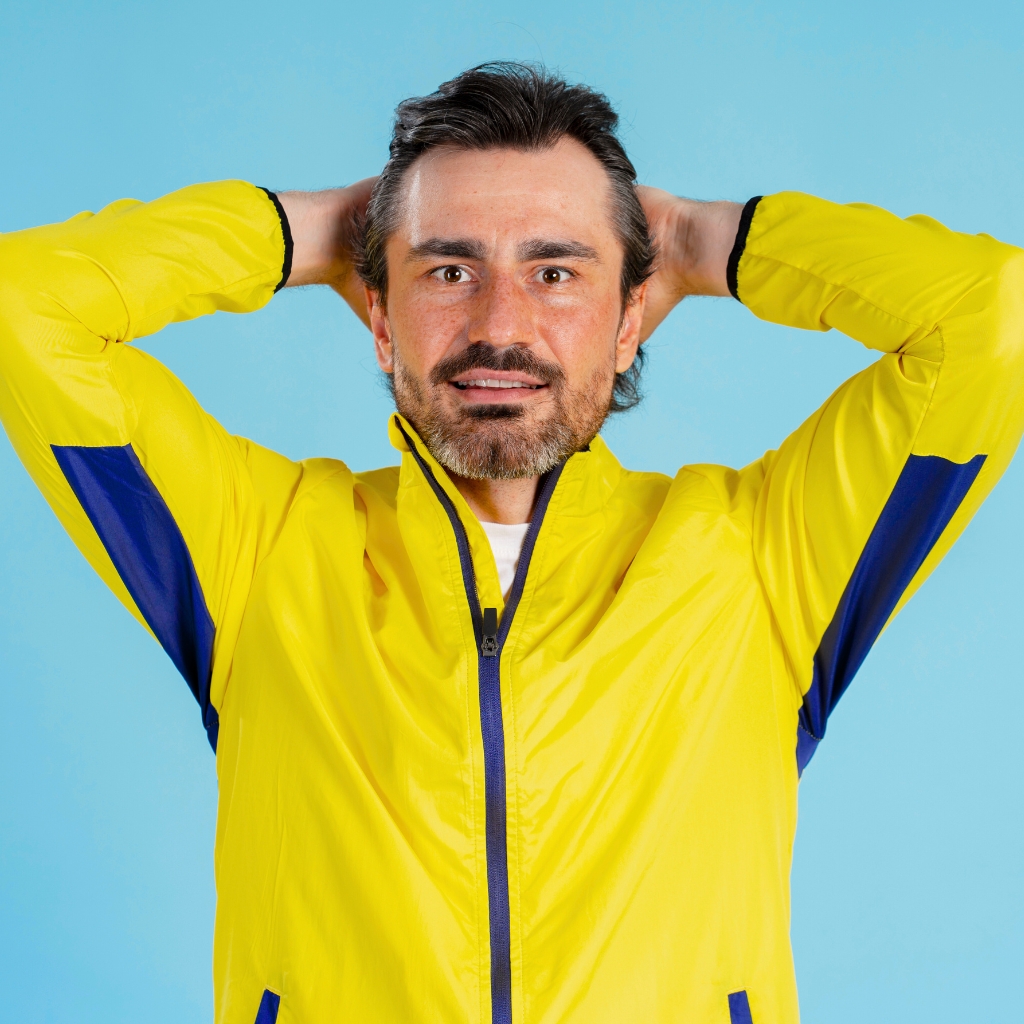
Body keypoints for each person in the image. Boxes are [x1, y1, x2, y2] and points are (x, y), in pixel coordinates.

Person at [1, 61, 1021, 1024]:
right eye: (447, 269)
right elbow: (24, 307)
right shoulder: (263, 552)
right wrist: (306, 229)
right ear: (379, 318)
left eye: (557, 272)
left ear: (633, 319)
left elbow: (994, 316)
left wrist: (707, 237)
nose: (500, 323)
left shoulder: (753, 560)